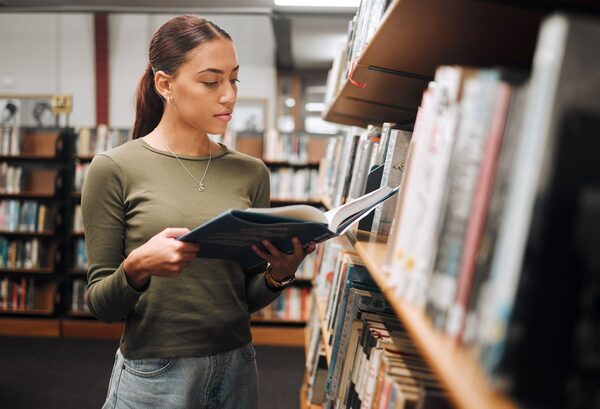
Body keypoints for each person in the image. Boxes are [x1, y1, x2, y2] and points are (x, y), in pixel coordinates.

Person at [82, 15, 316, 409]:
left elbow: (241, 297)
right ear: (165, 84)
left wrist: (279, 274)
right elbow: (101, 304)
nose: (229, 95)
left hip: (238, 368)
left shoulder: (251, 172)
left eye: (234, 79)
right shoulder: (114, 169)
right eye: (211, 81)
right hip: (155, 374)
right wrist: (137, 268)